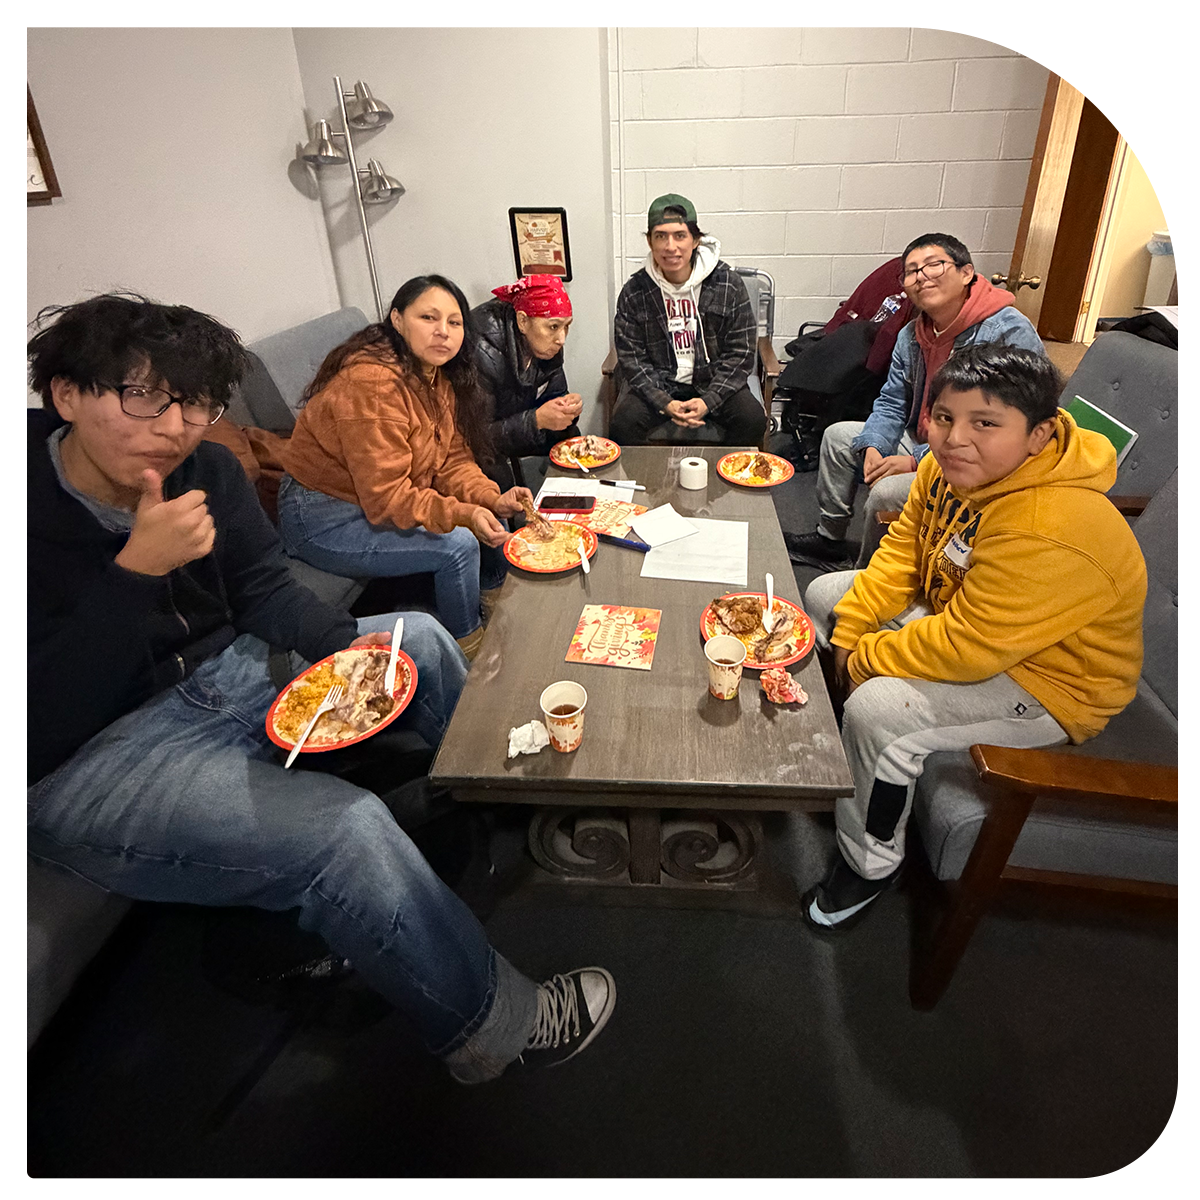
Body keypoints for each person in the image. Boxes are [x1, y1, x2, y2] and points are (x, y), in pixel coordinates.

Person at [27, 294, 616, 1083]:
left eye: (196, 405)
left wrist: (349, 646)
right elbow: (36, 715)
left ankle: (494, 792)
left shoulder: (206, 469)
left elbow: (264, 591)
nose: (175, 427)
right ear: (67, 393)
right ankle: (495, 1029)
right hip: (93, 755)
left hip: (227, 673)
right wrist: (135, 574)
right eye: (145, 397)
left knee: (418, 636)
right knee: (344, 831)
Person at [800, 344, 1146, 929]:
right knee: (828, 597)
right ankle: (852, 763)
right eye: (944, 417)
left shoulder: (1051, 526)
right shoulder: (950, 467)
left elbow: (968, 647)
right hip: (970, 615)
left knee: (879, 710)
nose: (955, 438)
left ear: (1038, 435)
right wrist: (854, 626)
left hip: (1049, 682)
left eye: (985, 423)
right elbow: (903, 552)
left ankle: (870, 864)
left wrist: (863, 659)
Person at [277, 275, 534, 661]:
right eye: (428, 318)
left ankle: (497, 608)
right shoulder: (373, 383)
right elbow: (387, 498)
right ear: (397, 320)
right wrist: (464, 514)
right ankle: (469, 651)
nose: (443, 331)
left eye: (454, 322)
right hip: (321, 516)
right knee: (458, 545)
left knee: (490, 506)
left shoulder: (435, 377)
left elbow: (452, 460)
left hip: (368, 500)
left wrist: (491, 499)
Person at [784, 233, 1046, 572]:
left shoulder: (1007, 332)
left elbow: (1002, 430)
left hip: (977, 456)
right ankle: (830, 543)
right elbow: (892, 401)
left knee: (886, 492)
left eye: (934, 265)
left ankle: (870, 574)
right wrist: (874, 444)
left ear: (966, 273)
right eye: (911, 271)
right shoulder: (912, 334)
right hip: (924, 435)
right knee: (838, 437)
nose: (921, 276)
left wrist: (914, 462)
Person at [609, 193, 767, 446]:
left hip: (712, 381)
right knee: (623, 423)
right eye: (661, 236)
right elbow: (632, 358)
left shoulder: (728, 284)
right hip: (661, 383)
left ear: (695, 240)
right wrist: (664, 402)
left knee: (752, 418)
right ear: (650, 241)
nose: (670, 246)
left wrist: (709, 400)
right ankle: (652, 472)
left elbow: (741, 352)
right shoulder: (635, 292)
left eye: (680, 235)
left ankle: (723, 470)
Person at [471, 274, 583, 487]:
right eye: (553, 327)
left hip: (516, 422)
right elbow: (478, 436)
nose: (562, 339)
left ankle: (568, 497)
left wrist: (567, 408)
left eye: (567, 326)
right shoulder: (481, 350)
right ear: (523, 321)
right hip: (482, 440)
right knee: (495, 470)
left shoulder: (547, 345)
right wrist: (536, 420)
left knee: (570, 437)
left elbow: (555, 393)